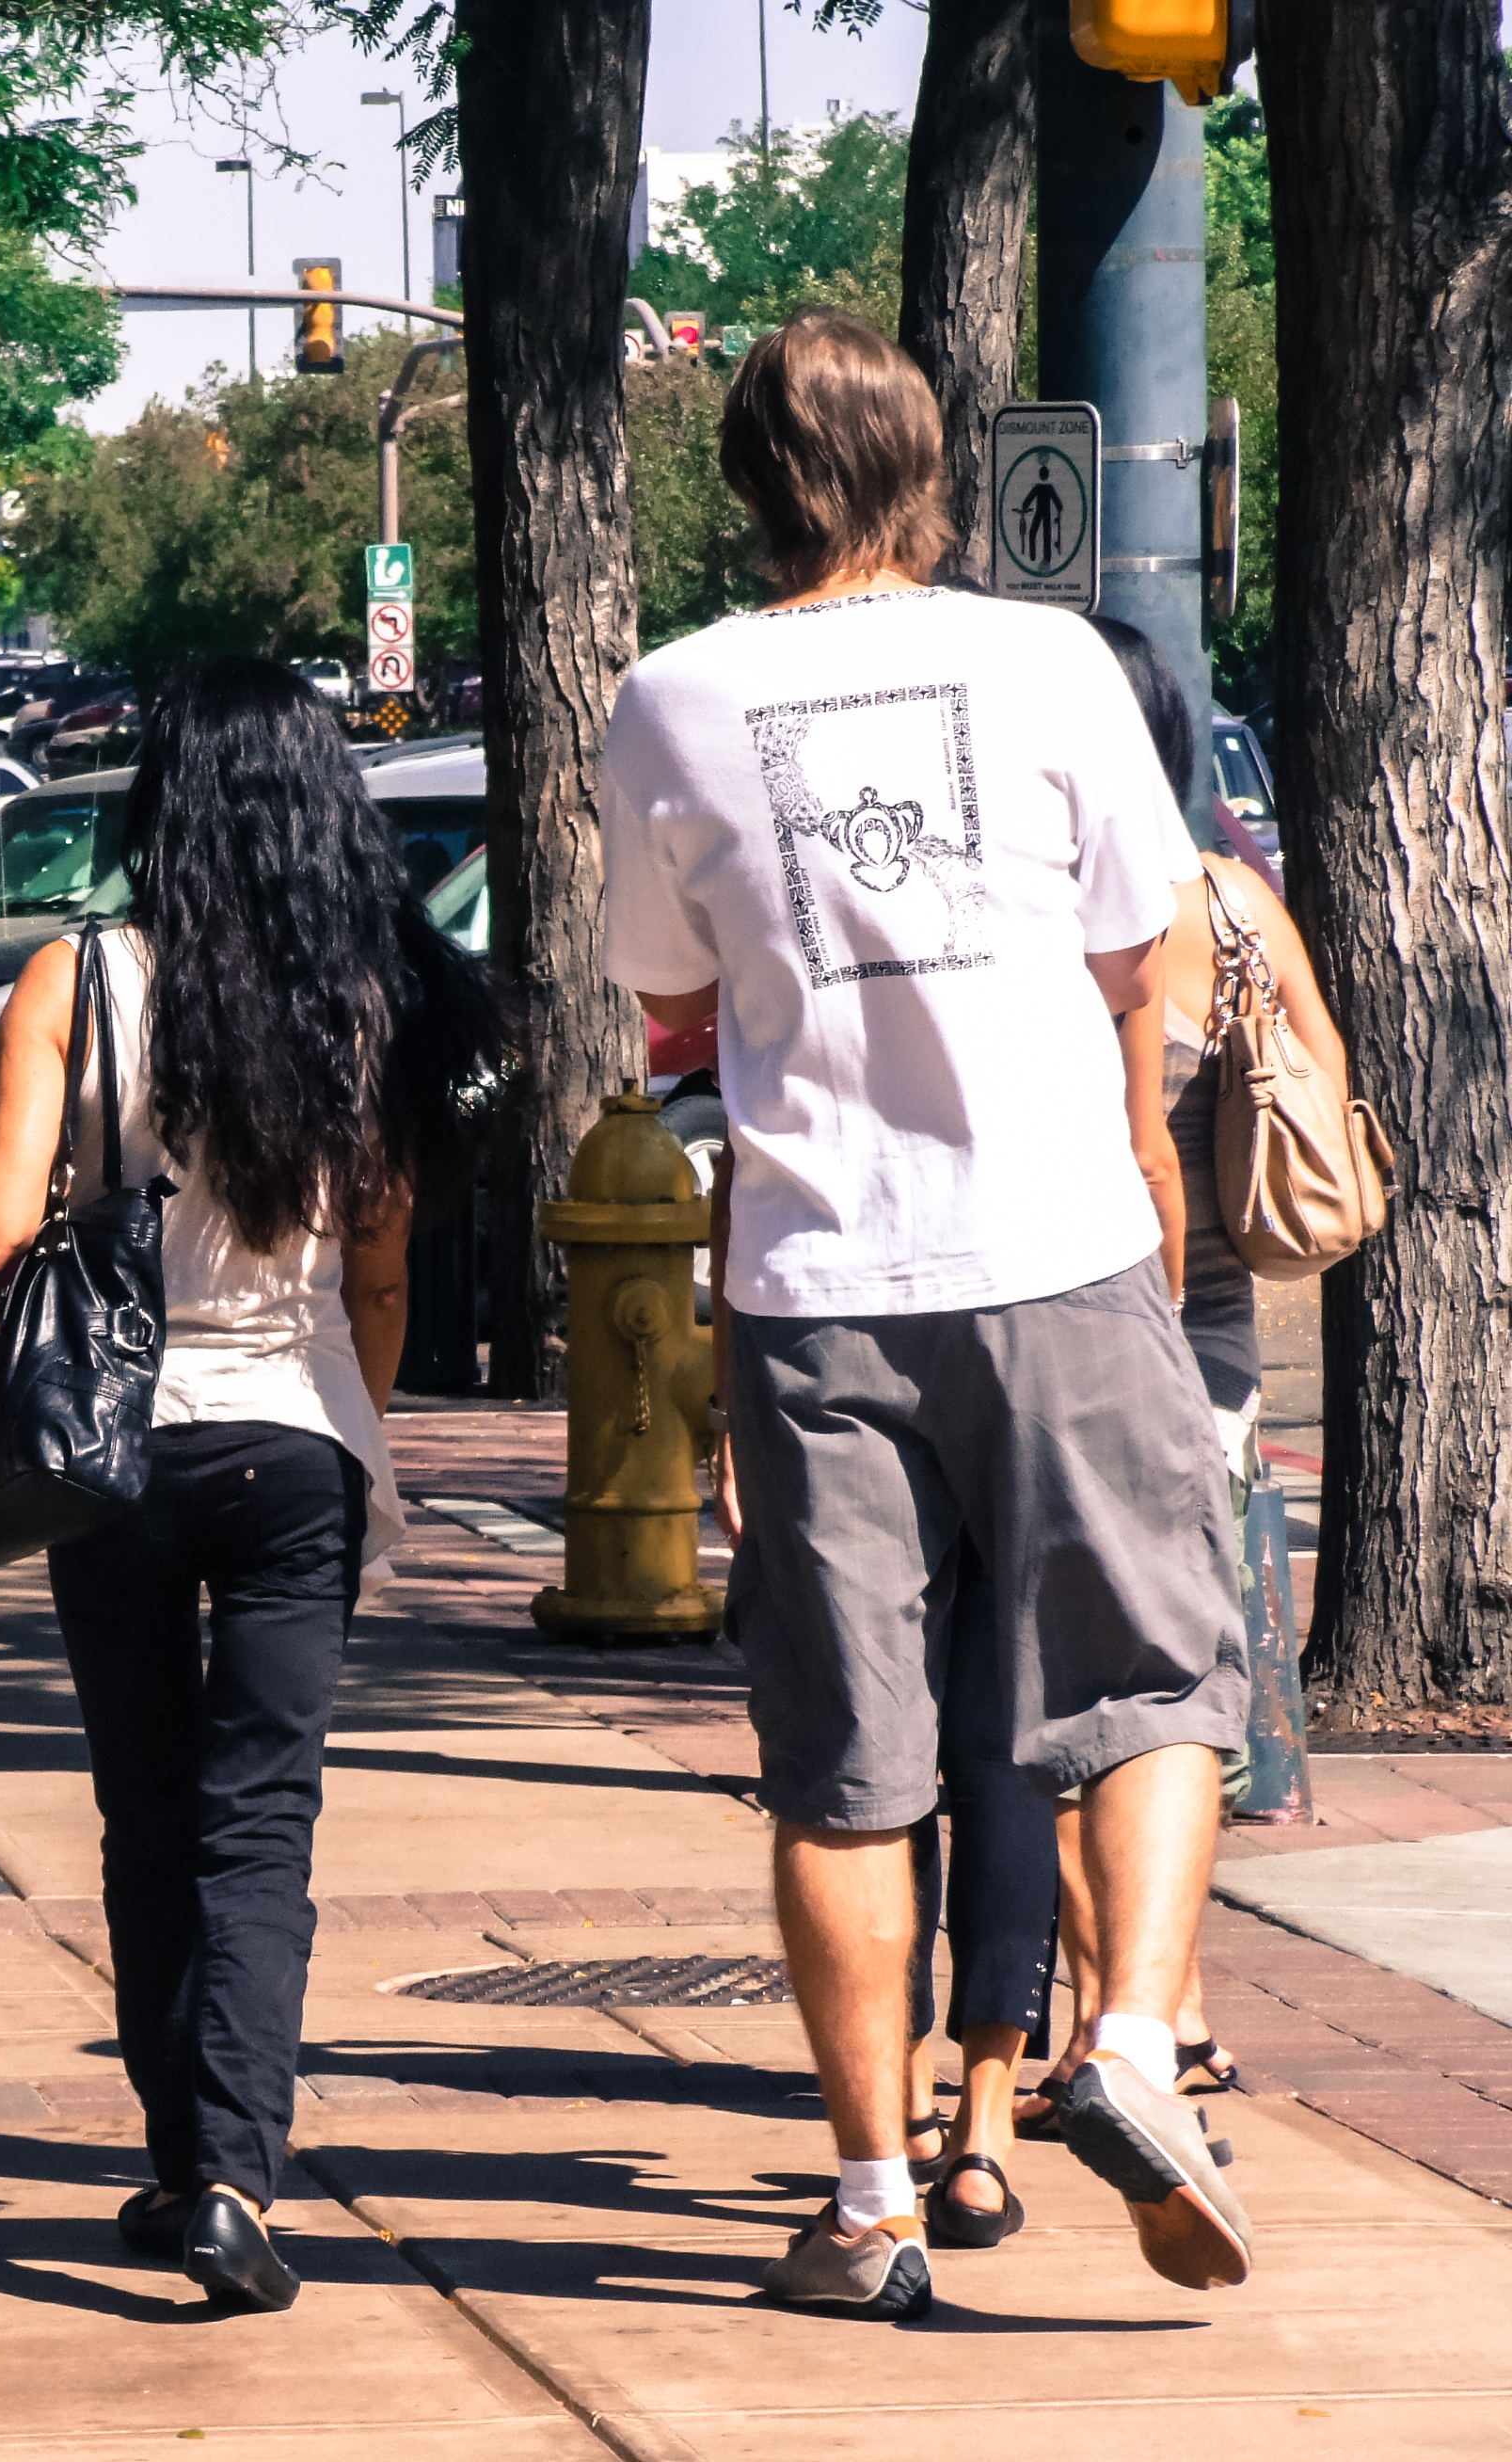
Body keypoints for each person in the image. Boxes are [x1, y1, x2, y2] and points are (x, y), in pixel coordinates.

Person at [602, 309, 1252, 2321]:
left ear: (743, 488)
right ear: (930, 478)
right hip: (1055, 1247)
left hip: (817, 1283)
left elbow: (665, 995)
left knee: (840, 1763)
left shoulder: (670, 700)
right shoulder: (1048, 658)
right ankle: (1132, 2046)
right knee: (1153, 1674)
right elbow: (1143, 949)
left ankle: (871, 2195)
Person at [0, 656, 490, 2314]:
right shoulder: (369, 1002)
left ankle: (174, 2141)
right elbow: (383, 1263)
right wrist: (355, 1416)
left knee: (142, 1800)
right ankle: (234, 2183)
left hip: (115, 1441)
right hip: (293, 1434)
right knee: (259, 1817)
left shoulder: (76, 980)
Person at [997, 617, 1350, 2141]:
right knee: (1175, 1694)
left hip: (1071, 1324)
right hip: (1210, 1346)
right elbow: (1325, 1084)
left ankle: (1107, 2018)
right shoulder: (1234, 900)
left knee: (1067, 1692)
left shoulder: (1053, 919)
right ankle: (1174, 2010)